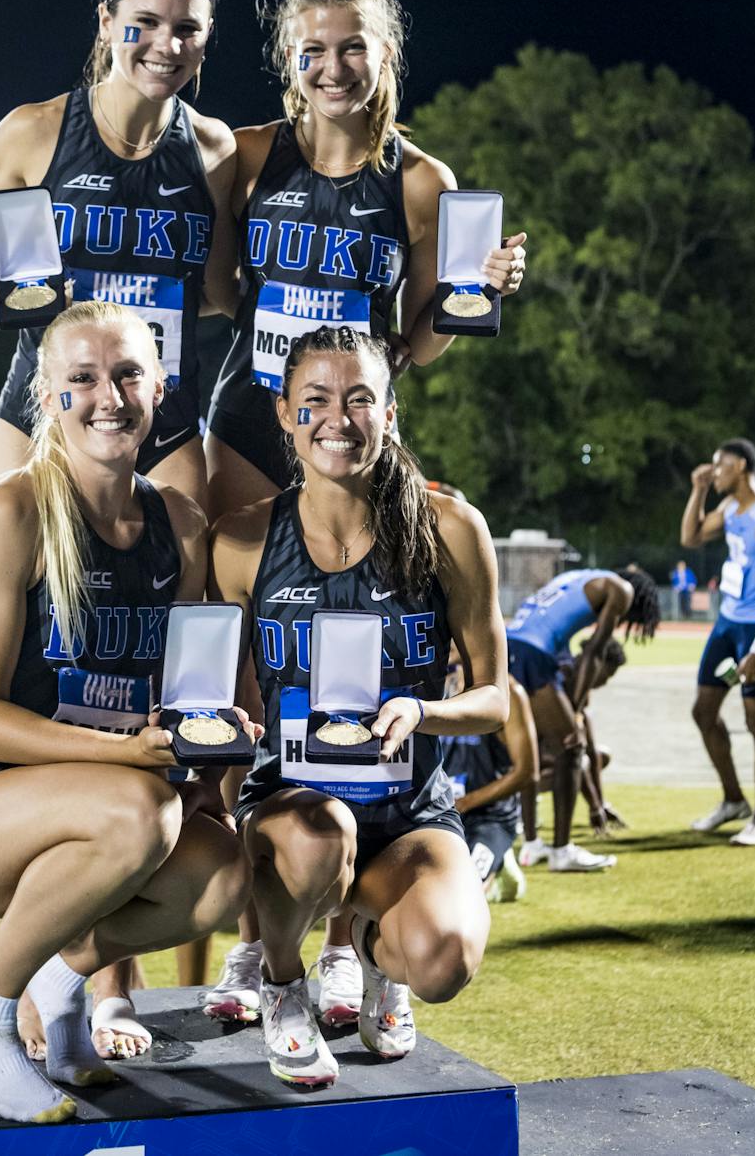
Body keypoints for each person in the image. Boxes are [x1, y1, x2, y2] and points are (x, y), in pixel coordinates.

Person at [199, 0, 526, 1025]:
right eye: (313, 47)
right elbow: (207, 284)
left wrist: (480, 295)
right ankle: (242, 938)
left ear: (385, 55)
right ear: (288, 60)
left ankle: (350, 942)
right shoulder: (250, 155)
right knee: (237, 642)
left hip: (352, 412)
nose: (333, 65)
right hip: (254, 417)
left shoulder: (422, 181)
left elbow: (423, 337)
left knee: (364, 628)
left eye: (354, 46)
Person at [0, 302, 252, 1123]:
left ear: (161, 387)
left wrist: (211, 738)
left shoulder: (181, 522)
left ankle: (58, 982)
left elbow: (182, 692)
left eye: (127, 374)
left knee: (225, 874)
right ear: (49, 398)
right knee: (137, 810)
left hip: (105, 801)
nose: (108, 397)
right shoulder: (12, 512)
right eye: (81, 379)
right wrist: (131, 755)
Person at [209, 325, 508, 1087]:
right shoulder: (242, 542)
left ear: (390, 412)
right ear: (284, 413)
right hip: (293, 812)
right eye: (315, 400)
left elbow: (493, 699)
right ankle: (282, 984)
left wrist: (423, 712)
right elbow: (222, 705)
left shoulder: (450, 530)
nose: (337, 418)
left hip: (408, 811)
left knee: (445, 959)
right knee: (320, 831)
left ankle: (379, 960)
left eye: (359, 399)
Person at [0, 0, 236, 510]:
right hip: (47, 409)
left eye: (187, 28)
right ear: (106, 22)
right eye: (144, 23)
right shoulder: (35, 131)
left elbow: (218, 292)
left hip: (165, 415)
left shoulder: (215, 149)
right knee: (26, 587)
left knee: (175, 589)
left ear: (205, 36)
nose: (166, 45)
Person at [506, 564, 659, 871]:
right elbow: (594, 653)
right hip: (533, 653)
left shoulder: (576, 576)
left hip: (510, 642)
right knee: (571, 747)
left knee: (531, 749)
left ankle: (533, 844)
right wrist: (573, 712)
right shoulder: (620, 590)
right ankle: (562, 851)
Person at [680, 438, 755, 845]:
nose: (714, 472)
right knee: (703, 711)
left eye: (720, 467)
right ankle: (734, 799)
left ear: (743, 468)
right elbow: (691, 537)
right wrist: (698, 489)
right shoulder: (730, 509)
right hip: (727, 622)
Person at [520, 638, 628, 859]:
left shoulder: (578, 687)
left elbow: (588, 745)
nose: (605, 682)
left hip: (535, 752)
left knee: (599, 756)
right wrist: (595, 807)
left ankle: (530, 829)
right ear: (597, 664)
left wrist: (599, 803)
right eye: (607, 675)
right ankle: (527, 830)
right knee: (573, 759)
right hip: (515, 759)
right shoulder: (562, 678)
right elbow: (576, 752)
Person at [440, 669, 538, 904]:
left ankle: (495, 852)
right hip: (440, 811)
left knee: (465, 890)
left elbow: (526, 771)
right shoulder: (434, 686)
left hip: (490, 817)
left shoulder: (509, 693)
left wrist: (465, 802)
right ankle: (501, 860)